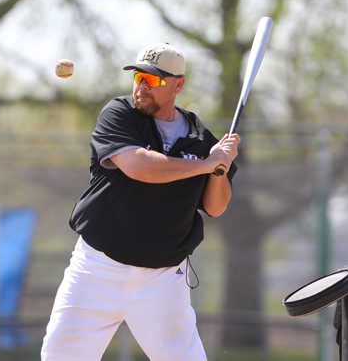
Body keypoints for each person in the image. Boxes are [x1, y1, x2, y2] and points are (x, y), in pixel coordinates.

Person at [41, 42, 240, 361]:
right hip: (97, 269)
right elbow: (139, 166)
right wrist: (205, 163)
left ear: (179, 84)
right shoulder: (119, 114)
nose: (142, 86)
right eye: (139, 77)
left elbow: (216, 206)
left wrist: (220, 167)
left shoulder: (203, 139)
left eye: (155, 80)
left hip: (163, 280)